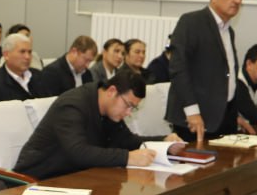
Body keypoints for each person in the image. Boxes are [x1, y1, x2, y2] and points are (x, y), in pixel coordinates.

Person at [15, 70, 183, 179]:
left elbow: (126, 140)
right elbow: (78, 152)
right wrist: (128, 157)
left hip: (75, 177)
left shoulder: (109, 109)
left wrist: (164, 142)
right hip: (37, 180)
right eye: (128, 105)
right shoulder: (72, 105)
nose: (128, 113)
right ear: (112, 91)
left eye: (133, 108)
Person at [166, 0, 250, 144]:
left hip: (223, 118)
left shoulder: (229, 31)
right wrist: (192, 112)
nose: (238, 0)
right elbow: (178, 69)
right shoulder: (191, 22)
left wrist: (233, 114)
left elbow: (226, 75)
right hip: (195, 120)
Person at [0, 32, 40, 102]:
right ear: (6, 55)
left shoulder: (39, 76)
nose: (27, 57)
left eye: (29, 52)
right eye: (22, 52)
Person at [33, 35, 98, 97]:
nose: (87, 65)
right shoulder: (51, 73)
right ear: (74, 52)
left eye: (90, 61)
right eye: (86, 60)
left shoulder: (87, 74)